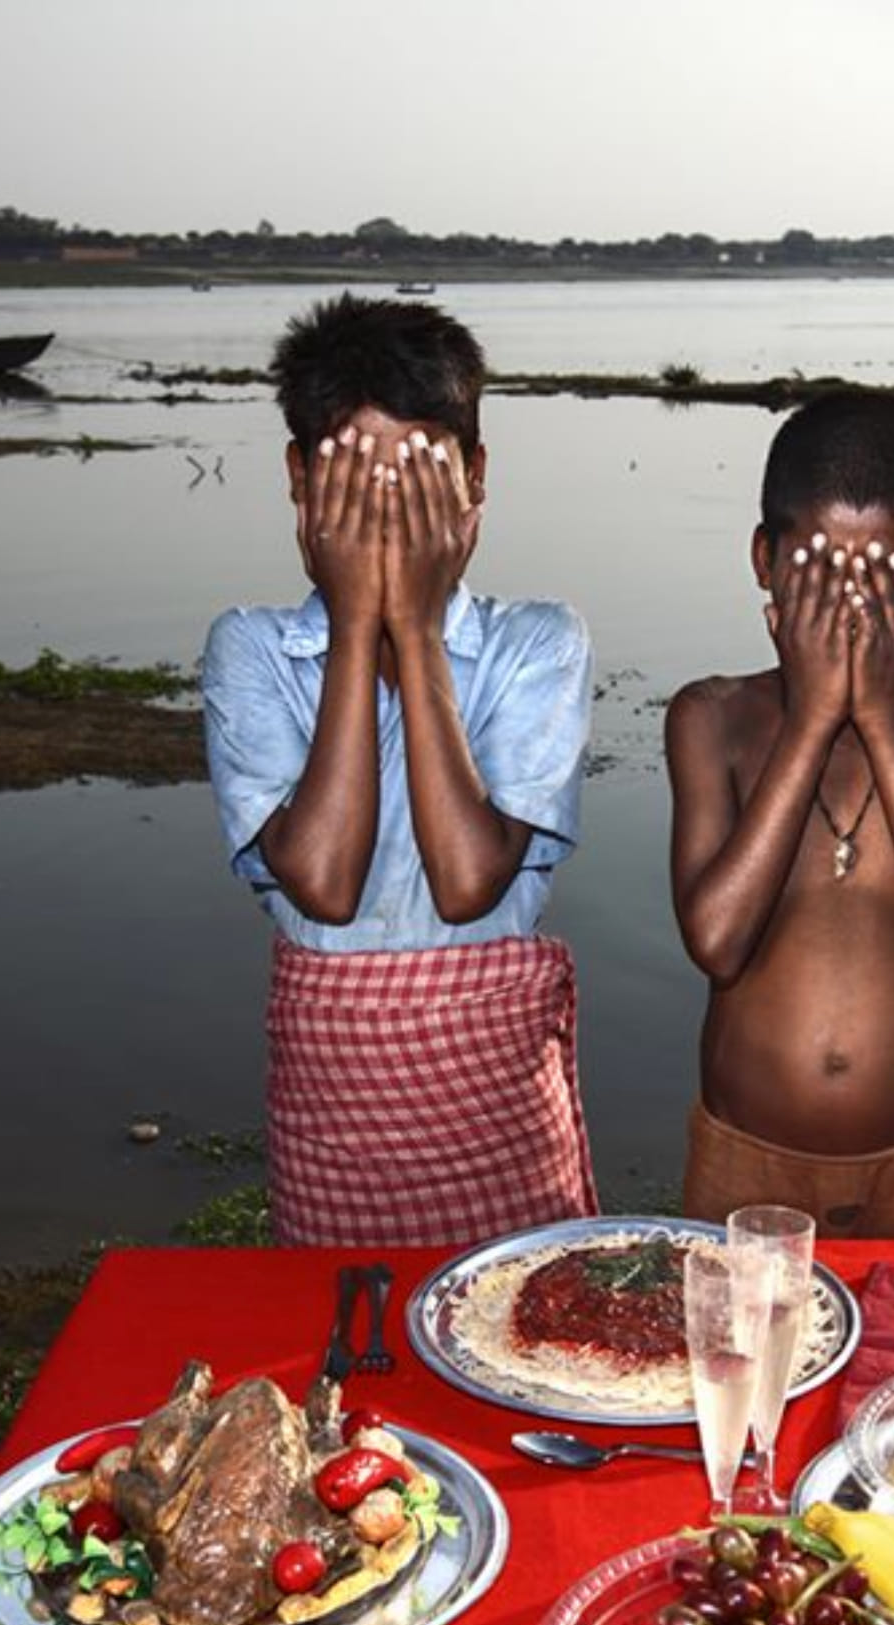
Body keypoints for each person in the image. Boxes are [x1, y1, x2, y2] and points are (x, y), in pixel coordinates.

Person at [199, 294, 597, 1247]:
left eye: (416, 480)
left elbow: (467, 882)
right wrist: (355, 622)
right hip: (334, 1110)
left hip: (496, 1102)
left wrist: (413, 630)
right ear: (301, 482)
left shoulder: (538, 642)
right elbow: (324, 883)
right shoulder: (251, 651)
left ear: (474, 479)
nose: (387, 517)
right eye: (355, 482)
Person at [664, 391, 894, 1240]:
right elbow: (715, 942)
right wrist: (813, 717)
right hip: (744, 1160)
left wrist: (886, 715)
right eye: (823, 572)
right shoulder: (714, 718)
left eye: (886, 573)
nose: (853, 604)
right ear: (765, 560)